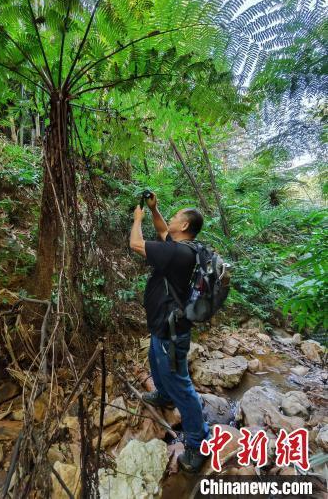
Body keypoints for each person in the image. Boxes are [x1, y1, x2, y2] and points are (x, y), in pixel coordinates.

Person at [129, 192, 210, 473]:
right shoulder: (183, 248)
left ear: (185, 227)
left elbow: (136, 243)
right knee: (155, 358)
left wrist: (138, 219)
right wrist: (154, 209)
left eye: (177, 217)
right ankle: (163, 395)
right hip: (163, 324)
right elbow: (164, 230)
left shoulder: (177, 253)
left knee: (183, 388)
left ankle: (198, 443)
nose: (171, 220)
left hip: (171, 330)